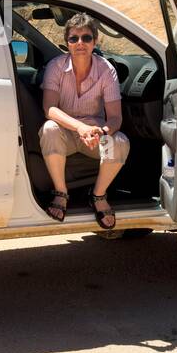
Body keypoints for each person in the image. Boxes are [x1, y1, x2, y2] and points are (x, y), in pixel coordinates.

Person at [38, 13, 130, 228]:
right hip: (66, 135)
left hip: (95, 137)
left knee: (120, 141)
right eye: (74, 38)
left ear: (95, 41)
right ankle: (61, 193)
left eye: (86, 38)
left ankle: (98, 195)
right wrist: (80, 128)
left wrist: (102, 132)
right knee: (50, 128)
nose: (80, 43)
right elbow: (49, 108)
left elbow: (116, 118)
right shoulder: (56, 67)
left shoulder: (106, 70)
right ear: (67, 43)